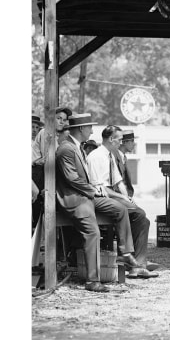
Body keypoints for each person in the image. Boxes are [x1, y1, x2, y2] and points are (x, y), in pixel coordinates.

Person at [55, 113, 140, 293]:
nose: (92, 131)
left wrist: (94, 189)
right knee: (92, 232)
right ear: (80, 129)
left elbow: (81, 179)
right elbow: (72, 179)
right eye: (89, 127)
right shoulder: (66, 149)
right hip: (75, 199)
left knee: (119, 208)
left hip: (85, 195)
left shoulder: (76, 146)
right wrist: (93, 189)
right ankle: (92, 280)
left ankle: (125, 253)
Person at [87, 125, 157, 278]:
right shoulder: (95, 157)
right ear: (111, 139)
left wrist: (128, 198)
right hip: (102, 198)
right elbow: (99, 188)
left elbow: (118, 181)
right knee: (139, 214)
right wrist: (122, 198)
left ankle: (139, 264)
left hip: (114, 196)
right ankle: (129, 258)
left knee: (143, 220)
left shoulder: (111, 155)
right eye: (119, 140)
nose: (121, 142)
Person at [116, 130, 136, 198]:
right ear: (124, 142)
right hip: (119, 196)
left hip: (126, 196)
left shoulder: (124, 157)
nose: (134, 144)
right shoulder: (115, 157)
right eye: (132, 141)